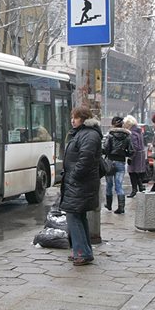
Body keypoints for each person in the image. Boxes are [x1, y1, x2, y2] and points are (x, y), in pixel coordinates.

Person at [60, 106, 101, 266]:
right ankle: (84, 251)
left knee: (74, 216)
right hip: (78, 183)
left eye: (76, 117)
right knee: (79, 216)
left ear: (83, 119)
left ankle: (81, 252)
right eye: (72, 117)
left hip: (79, 184)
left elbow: (86, 159)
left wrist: (74, 175)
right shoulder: (83, 134)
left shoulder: (88, 135)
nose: (72, 120)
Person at [102, 116, 132, 214]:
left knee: (109, 184)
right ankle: (121, 207)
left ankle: (109, 205)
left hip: (110, 161)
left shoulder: (110, 135)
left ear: (113, 124)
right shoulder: (127, 136)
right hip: (121, 162)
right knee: (119, 185)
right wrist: (124, 154)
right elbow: (131, 150)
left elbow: (106, 149)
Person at [123, 115, 147, 198]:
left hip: (135, 156)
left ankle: (134, 190)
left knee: (132, 172)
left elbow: (134, 147)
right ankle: (140, 187)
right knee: (136, 172)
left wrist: (130, 157)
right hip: (140, 154)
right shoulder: (139, 131)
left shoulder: (132, 133)